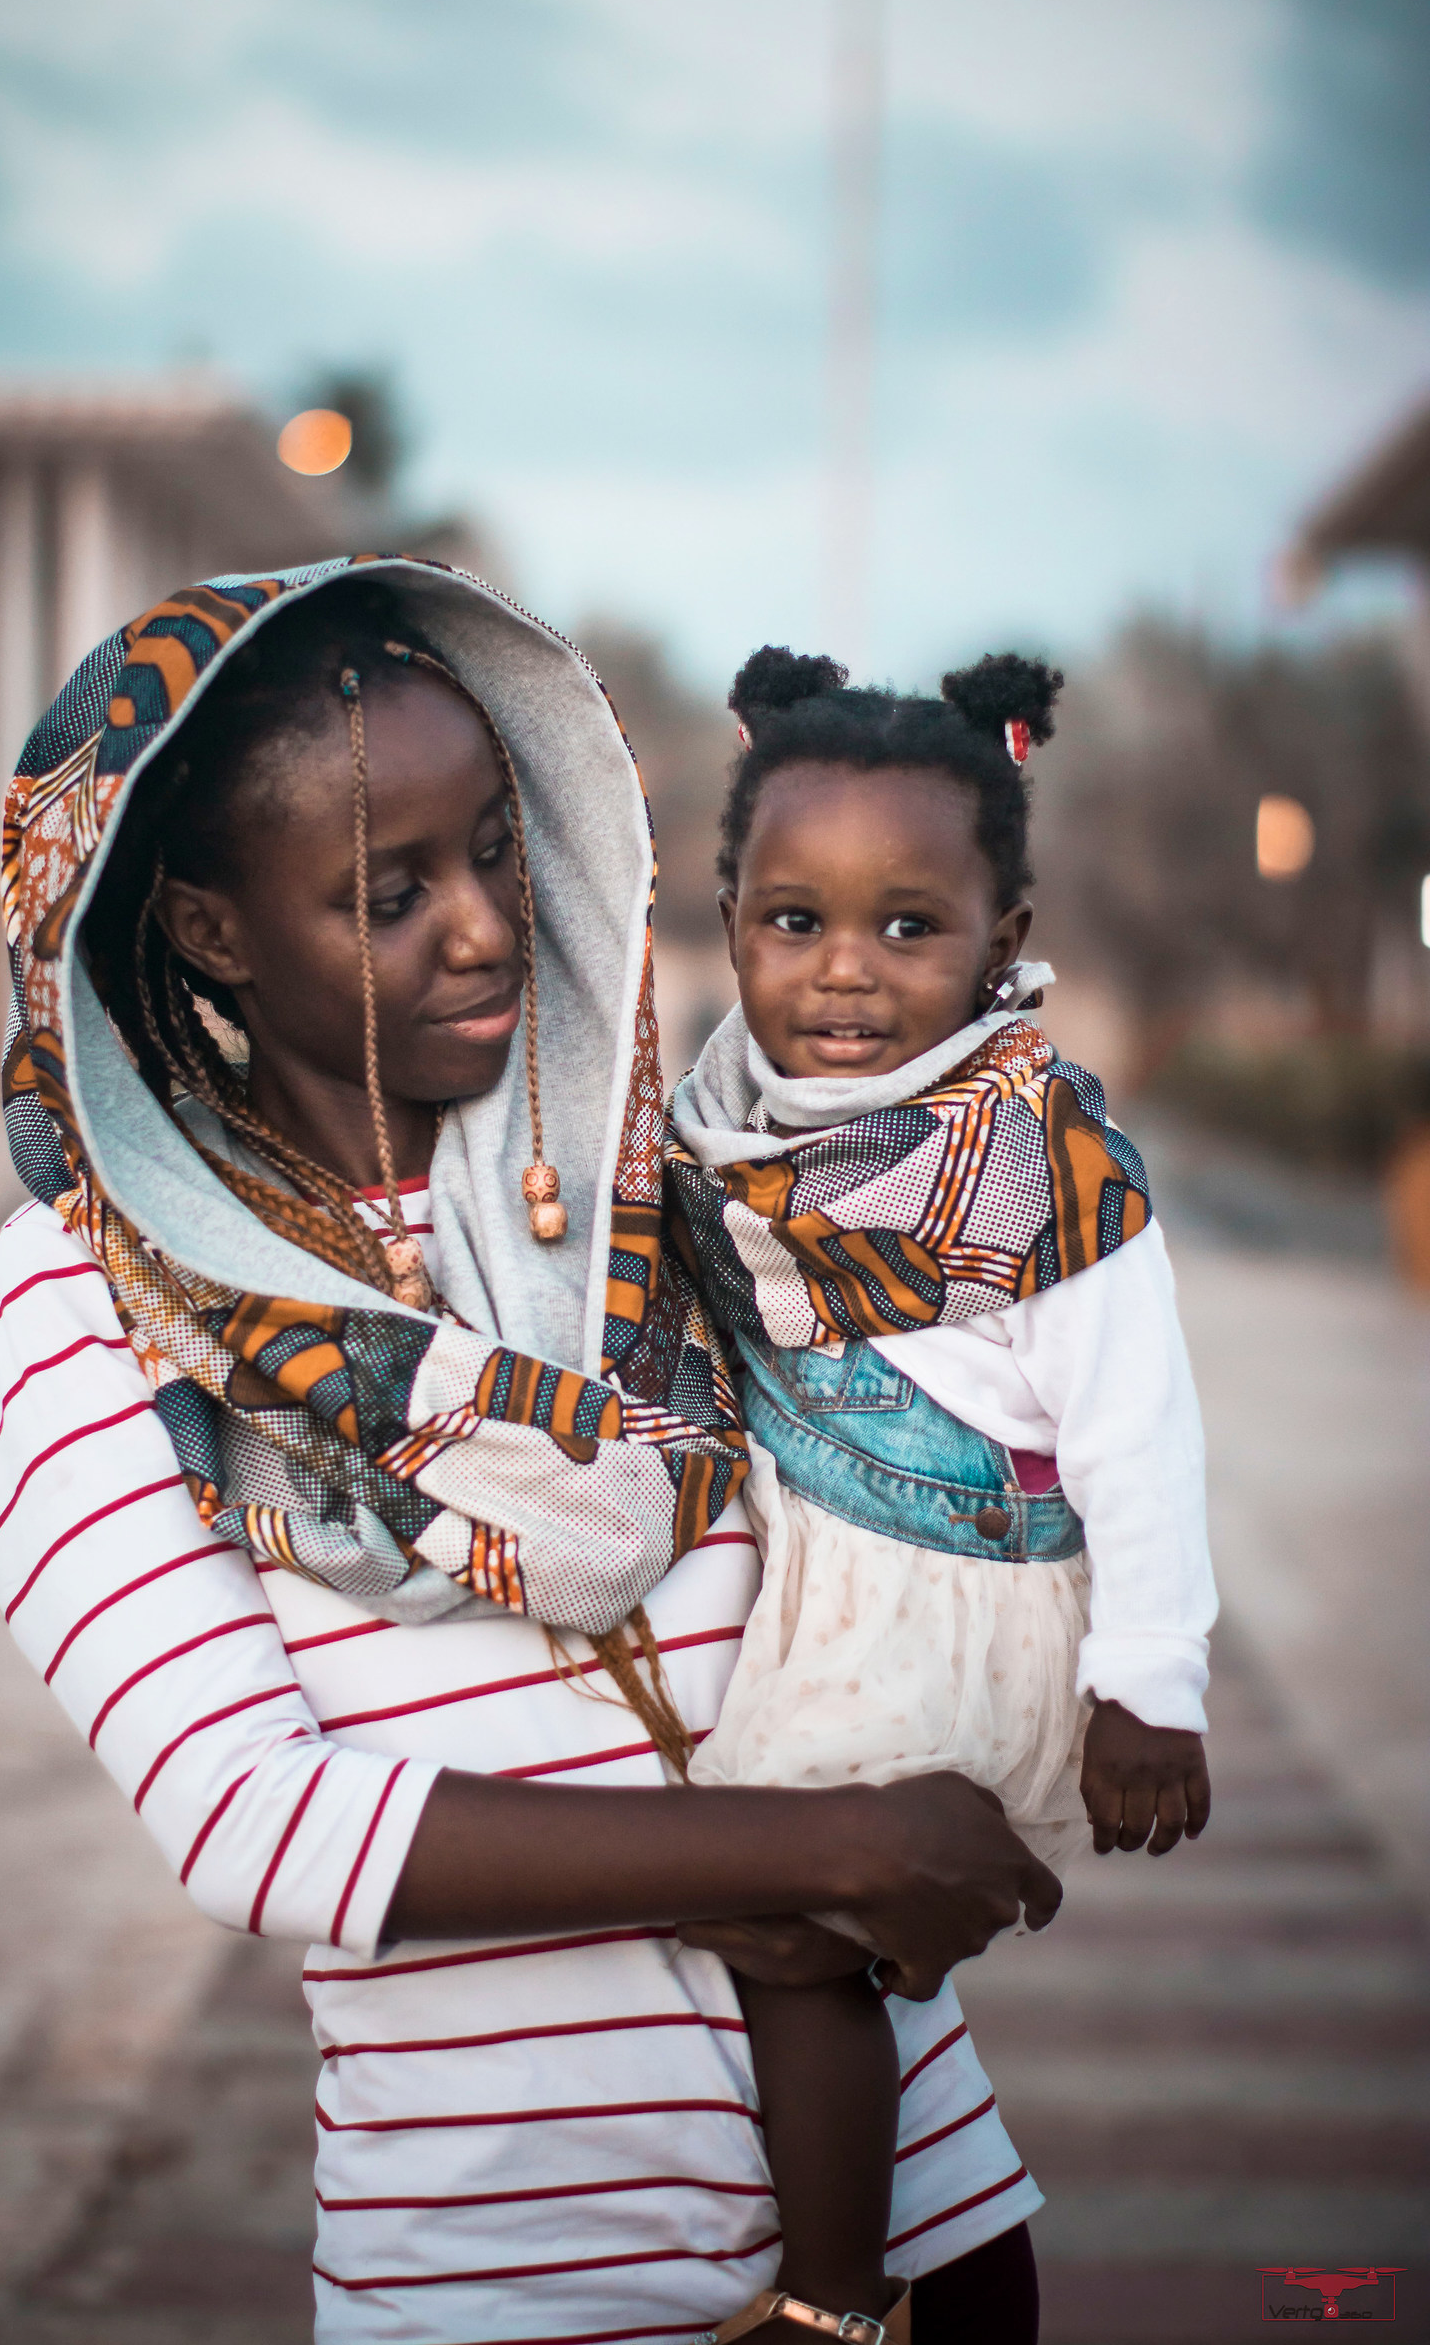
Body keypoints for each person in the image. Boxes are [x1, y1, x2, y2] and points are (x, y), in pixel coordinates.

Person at [0, 563, 1056, 2345]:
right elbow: (262, 1823)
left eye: (495, 846)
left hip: (929, 2221)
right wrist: (823, 1853)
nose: (482, 924)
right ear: (213, 929)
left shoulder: (673, 1185)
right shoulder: (95, 1308)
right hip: (515, 2274)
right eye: (391, 892)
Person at [663, 644, 1219, 2342]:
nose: (846, 972)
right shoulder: (724, 1127)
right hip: (832, 1583)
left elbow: (1139, 1434)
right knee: (856, 1974)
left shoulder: (1036, 1161)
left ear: (1006, 932)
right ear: (730, 909)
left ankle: (830, 2304)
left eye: (910, 926)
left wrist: (1153, 1690)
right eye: (795, 920)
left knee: (786, 1922)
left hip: (955, 1602)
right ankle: (964, 2283)